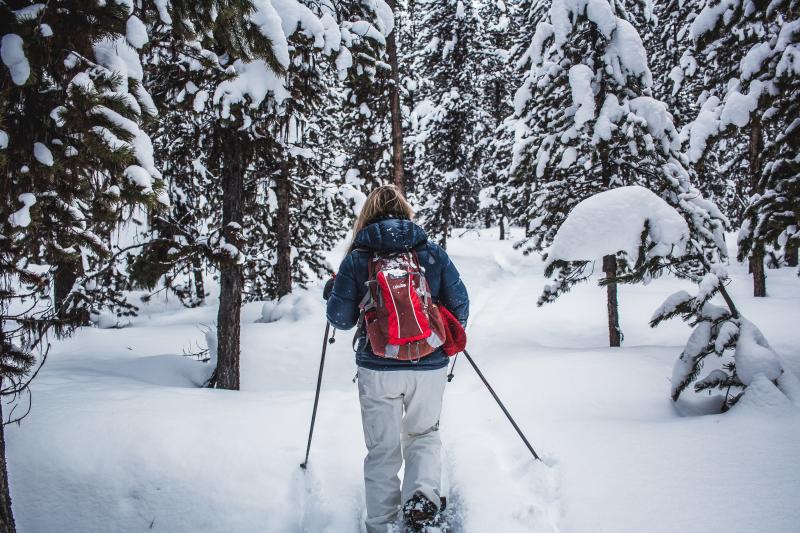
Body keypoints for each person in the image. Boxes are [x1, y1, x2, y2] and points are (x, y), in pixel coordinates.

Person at [325, 185, 469, 533]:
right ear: (406, 213)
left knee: (382, 449)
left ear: (367, 216)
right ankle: (422, 503)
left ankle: (381, 523)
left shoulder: (358, 258)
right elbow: (460, 305)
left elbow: (340, 320)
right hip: (429, 363)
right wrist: (440, 329)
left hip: (377, 367)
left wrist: (334, 291)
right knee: (423, 434)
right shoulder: (431, 253)